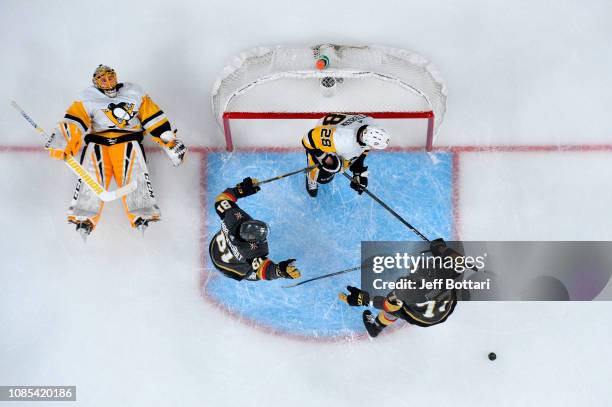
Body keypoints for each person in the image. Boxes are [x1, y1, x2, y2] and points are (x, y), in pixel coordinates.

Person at [46, 65, 187, 239]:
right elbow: (75, 120)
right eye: (103, 79)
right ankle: (84, 217)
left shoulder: (135, 92)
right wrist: (63, 138)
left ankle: (142, 214)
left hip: (128, 142)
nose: (108, 81)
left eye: (110, 77)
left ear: (116, 76)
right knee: (90, 180)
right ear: (95, 82)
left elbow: (153, 118)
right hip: (98, 144)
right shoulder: (87, 98)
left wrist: (168, 140)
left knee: (136, 177)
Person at [339, 239, 461, 337]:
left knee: (395, 309)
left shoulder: (405, 290)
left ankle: (376, 327)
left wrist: (362, 299)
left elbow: (387, 305)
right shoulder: (445, 271)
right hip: (445, 310)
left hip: (422, 318)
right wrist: (440, 249)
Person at [209, 177, 301, 282]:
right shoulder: (252, 253)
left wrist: (239, 190)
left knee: (256, 272)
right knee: (253, 274)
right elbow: (263, 270)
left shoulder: (232, 217)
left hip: (215, 247)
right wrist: (279, 271)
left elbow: (221, 199)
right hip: (230, 269)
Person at [301, 113, 390, 197]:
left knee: (343, 163)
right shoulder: (342, 140)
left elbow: (364, 147)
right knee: (323, 178)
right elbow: (307, 139)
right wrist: (325, 157)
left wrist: (358, 170)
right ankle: (311, 177)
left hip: (337, 130)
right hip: (323, 138)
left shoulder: (372, 123)